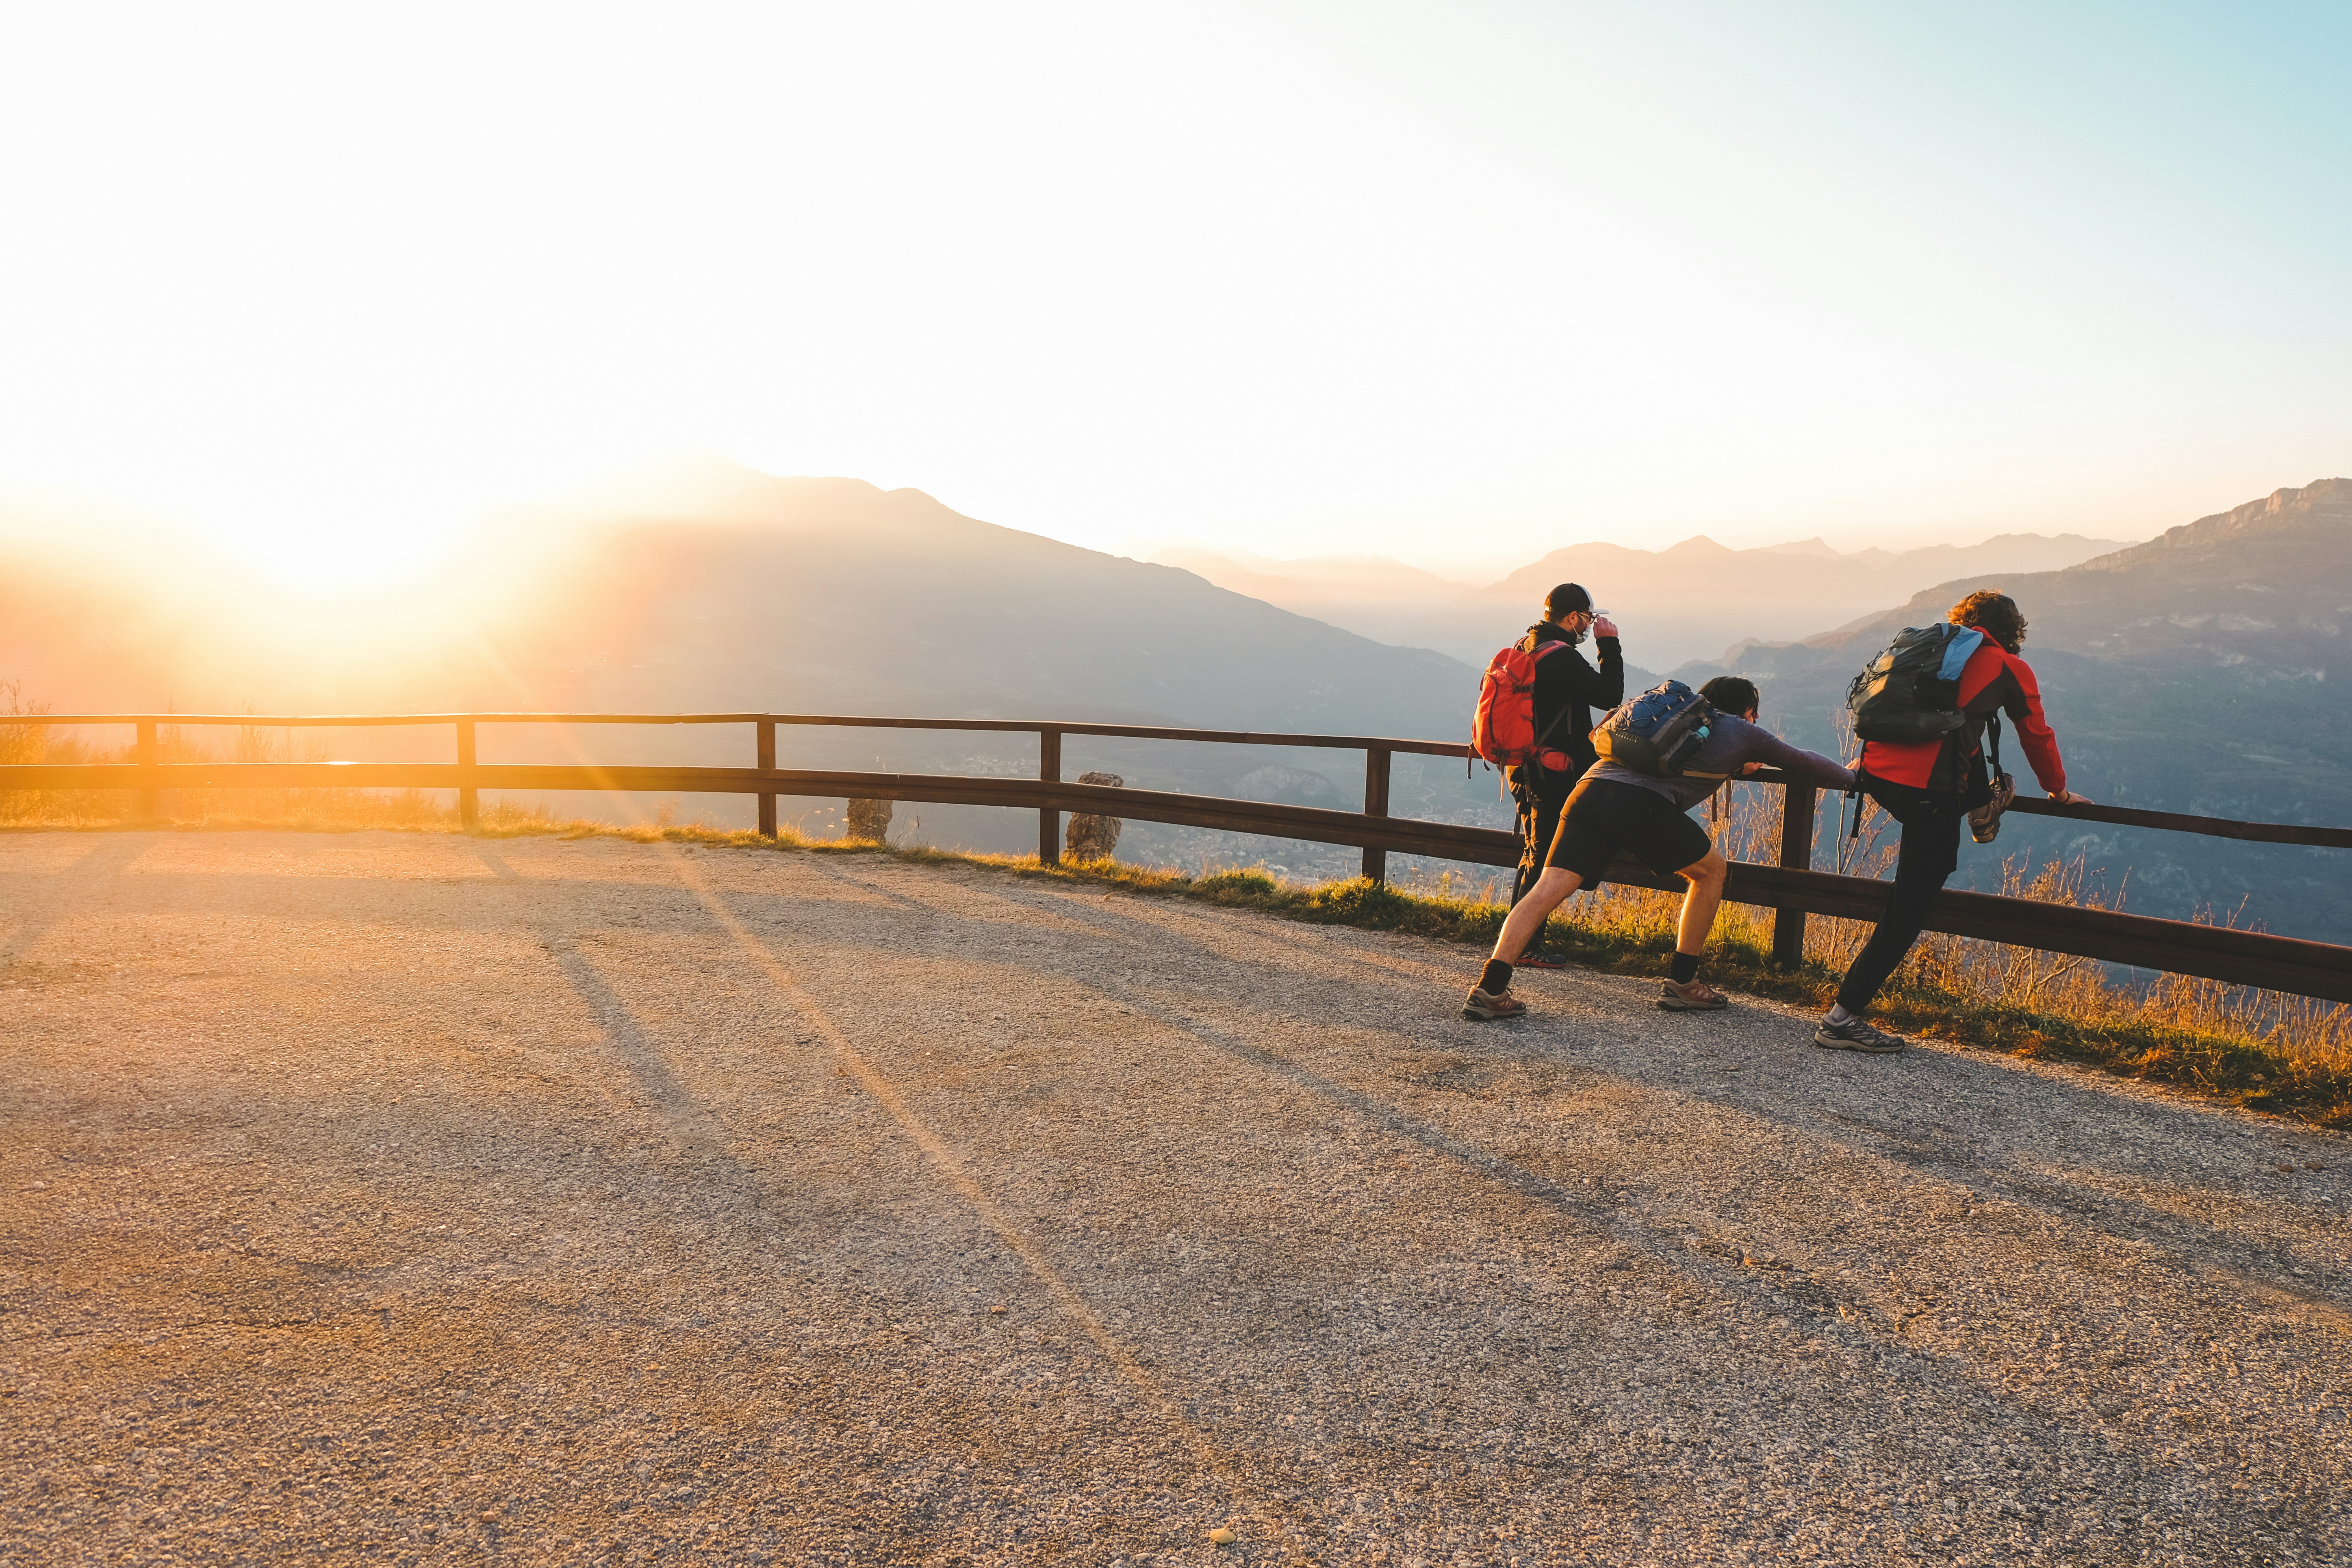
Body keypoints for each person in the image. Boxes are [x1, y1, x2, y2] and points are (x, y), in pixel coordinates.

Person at [1463, 676, 1858, 1020]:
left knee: (1546, 888)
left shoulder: (1673, 719)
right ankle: (1684, 981)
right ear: (1747, 710)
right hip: (1638, 805)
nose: (1755, 722)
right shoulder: (1742, 730)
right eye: (1754, 714)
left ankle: (1490, 987)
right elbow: (1800, 760)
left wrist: (1737, 765)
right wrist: (1850, 777)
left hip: (1586, 792)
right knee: (1710, 871)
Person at [1814, 590, 2089, 1054]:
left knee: (1963, 728)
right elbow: (2037, 735)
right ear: (2012, 630)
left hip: (1877, 775)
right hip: (1927, 793)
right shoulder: (2007, 666)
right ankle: (1842, 1018)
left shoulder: (1928, 647)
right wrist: (2058, 790)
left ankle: (1980, 804)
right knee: (1910, 905)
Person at [1506, 583, 1623, 968]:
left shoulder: (1527, 645)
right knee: (1542, 858)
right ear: (1572, 617)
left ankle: (1521, 939)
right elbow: (1610, 694)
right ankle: (1523, 946)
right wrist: (1609, 646)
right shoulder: (1563, 657)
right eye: (1588, 619)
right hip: (1551, 771)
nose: (1591, 625)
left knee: (1534, 853)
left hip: (1523, 765)